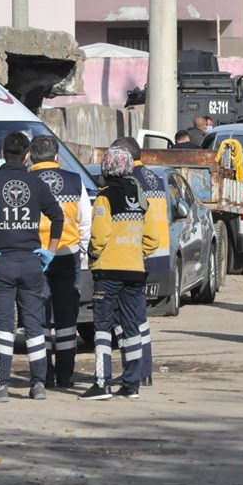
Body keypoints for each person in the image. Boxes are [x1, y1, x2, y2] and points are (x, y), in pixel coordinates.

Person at [0, 132, 64, 402]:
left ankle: (1, 387)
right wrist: (50, 252)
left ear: (2, 153)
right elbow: (57, 217)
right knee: (35, 327)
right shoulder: (36, 184)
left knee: (3, 327)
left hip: (0, 263)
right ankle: (38, 385)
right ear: (27, 156)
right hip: (31, 263)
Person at [83, 147, 159, 399]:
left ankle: (102, 383)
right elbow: (152, 239)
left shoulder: (105, 197)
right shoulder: (141, 198)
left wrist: (93, 255)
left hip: (108, 272)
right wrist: (135, 253)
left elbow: (100, 236)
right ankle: (131, 384)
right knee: (132, 329)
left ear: (107, 167)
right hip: (135, 271)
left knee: (103, 328)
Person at [29, 135, 92, 389]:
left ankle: (44, 375)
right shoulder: (74, 181)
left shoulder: (25, 182)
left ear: (31, 157)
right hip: (67, 254)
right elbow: (85, 222)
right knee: (67, 319)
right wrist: (82, 251)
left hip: (34, 257)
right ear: (57, 157)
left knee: (38, 318)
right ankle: (66, 375)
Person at [112, 136, 170, 387]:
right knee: (140, 318)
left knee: (124, 320)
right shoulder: (153, 177)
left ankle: (134, 370)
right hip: (159, 254)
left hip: (136, 256)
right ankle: (144, 370)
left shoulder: (131, 182)